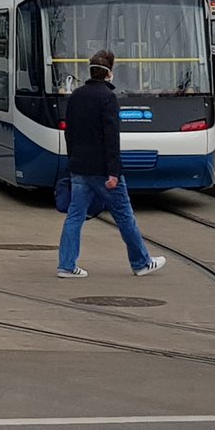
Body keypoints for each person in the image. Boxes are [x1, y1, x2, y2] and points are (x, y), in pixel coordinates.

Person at [57, 50, 166, 279]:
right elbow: (111, 137)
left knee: (75, 215)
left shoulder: (76, 95)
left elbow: (70, 133)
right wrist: (114, 172)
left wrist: (72, 161)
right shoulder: (108, 98)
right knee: (124, 215)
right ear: (109, 74)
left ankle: (66, 265)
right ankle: (141, 262)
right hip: (103, 169)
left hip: (79, 167)